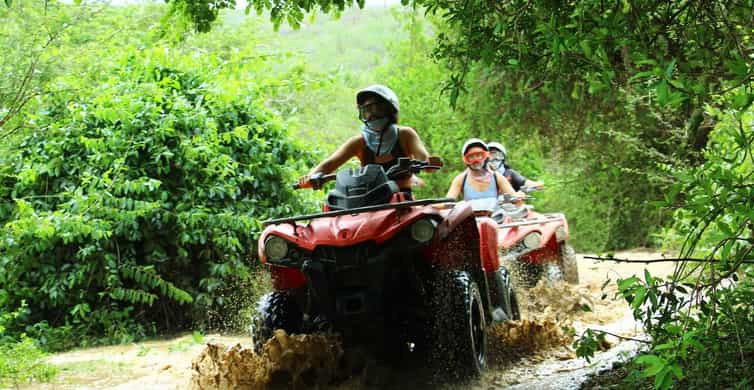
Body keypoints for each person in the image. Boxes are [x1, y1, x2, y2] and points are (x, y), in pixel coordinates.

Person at [297, 84, 431, 198]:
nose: (372, 115)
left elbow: (424, 159)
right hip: (369, 202)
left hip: (402, 200)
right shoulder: (359, 142)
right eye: (367, 111)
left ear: (390, 110)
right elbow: (330, 163)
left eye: (377, 109)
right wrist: (311, 177)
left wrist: (423, 164)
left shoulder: (405, 134)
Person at [446, 138, 521, 200]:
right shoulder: (461, 179)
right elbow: (448, 202)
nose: (476, 160)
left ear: (486, 156)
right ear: (466, 160)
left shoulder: (497, 177)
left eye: (479, 155)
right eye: (471, 157)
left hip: (495, 217)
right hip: (470, 217)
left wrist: (518, 196)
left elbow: (514, 199)